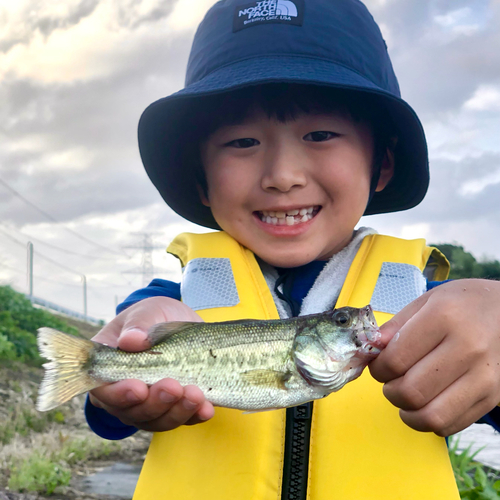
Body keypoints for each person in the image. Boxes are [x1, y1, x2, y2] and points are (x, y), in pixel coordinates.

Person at [85, 1, 500, 499]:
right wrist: (113, 383)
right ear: (201, 179)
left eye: (320, 135)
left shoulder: (431, 311)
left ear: (382, 164)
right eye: (242, 142)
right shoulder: (169, 301)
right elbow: (108, 418)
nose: (282, 175)